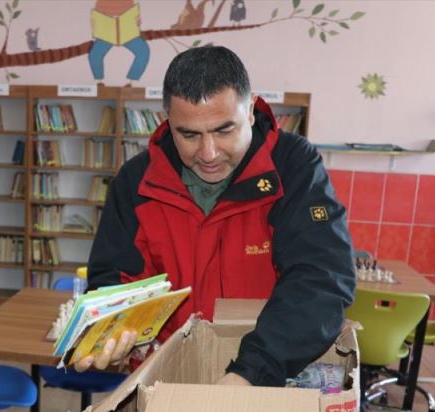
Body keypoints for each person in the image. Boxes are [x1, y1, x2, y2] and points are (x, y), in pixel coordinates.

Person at [76, 46, 356, 387]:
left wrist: (253, 370)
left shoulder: (293, 167)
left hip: (268, 380)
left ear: (251, 110)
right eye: (189, 135)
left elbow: (320, 279)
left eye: (224, 130)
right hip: (168, 383)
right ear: (167, 121)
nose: (208, 153)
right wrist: (113, 332)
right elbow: (112, 280)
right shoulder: (136, 182)